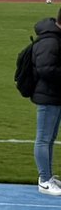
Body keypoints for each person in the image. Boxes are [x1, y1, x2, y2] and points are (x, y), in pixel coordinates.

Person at [29, 13, 61, 195]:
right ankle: (44, 179)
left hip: (54, 95)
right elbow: (45, 69)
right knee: (43, 138)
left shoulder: (55, 38)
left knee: (49, 138)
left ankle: (48, 176)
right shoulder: (51, 41)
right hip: (48, 96)